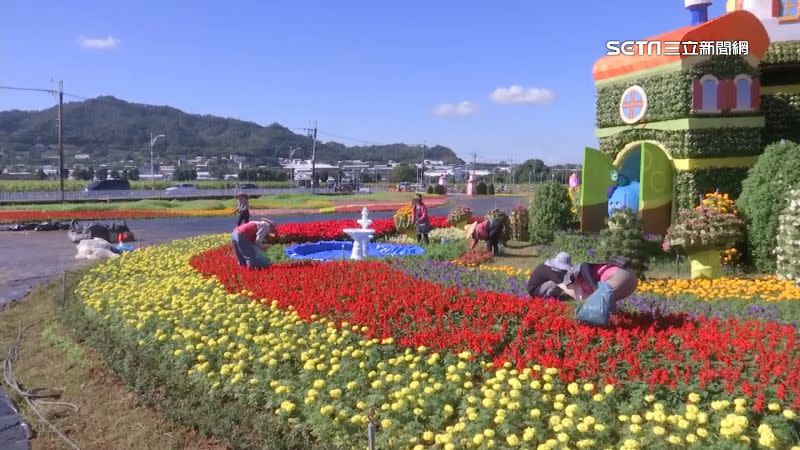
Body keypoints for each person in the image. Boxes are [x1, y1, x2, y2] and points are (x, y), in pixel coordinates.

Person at [560, 256, 639, 309]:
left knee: (597, 308)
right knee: (608, 303)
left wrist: (595, 288)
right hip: (633, 278)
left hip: (618, 276)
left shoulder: (581, 274)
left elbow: (584, 266)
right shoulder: (592, 271)